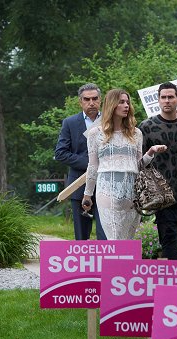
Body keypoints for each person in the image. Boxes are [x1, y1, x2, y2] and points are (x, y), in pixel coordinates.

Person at [81, 88, 167, 240]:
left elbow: (139, 166)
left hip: (132, 192)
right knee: (114, 239)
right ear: (112, 105)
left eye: (127, 102)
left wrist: (151, 152)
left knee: (128, 240)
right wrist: (87, 194)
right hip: (107, 189)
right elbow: (93, 166)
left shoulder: (136, 133)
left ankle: (125, 265)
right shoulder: (95, 134)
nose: (126, 105)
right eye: (121, 102)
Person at [138, 82, 177, 259]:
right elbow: (139, 162)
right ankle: (175, 276)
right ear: (158, 100)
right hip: (161, 192)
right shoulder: (147, 127)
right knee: (169, 235)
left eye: (171, 97)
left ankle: (171, 272)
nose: (167, 101)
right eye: (163, 97)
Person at [54, 83, 107, 240]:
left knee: (106, 237)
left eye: (95, 99)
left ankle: (108, 265)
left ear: (100, 100)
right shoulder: (70, 123)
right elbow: (60, 153)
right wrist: (91, 164)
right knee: (82, 238)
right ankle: (85, 265)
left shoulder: (110, 120)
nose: (91, 102)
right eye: (87, 99)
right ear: (80, 102)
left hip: (107, 186)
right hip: (79, 186)